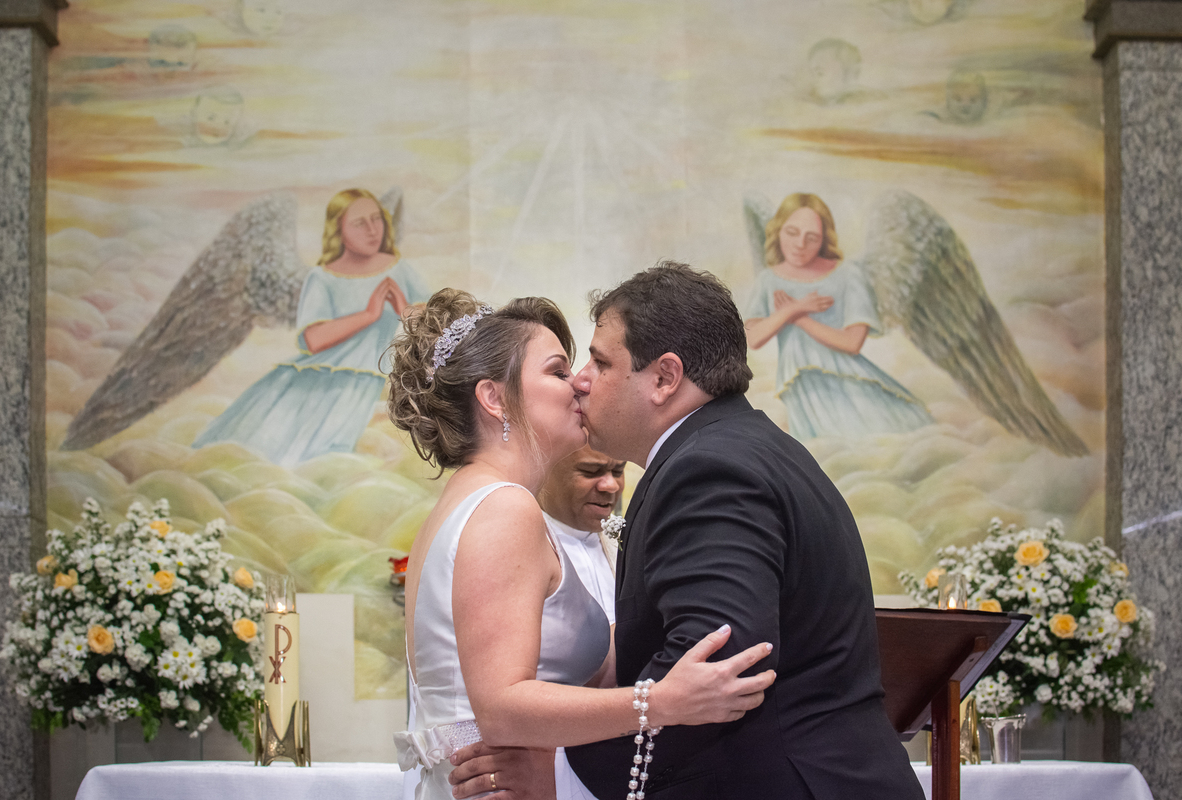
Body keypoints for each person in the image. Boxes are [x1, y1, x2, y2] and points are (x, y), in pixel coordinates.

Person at [387, 289, 776, 800]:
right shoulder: (504, 506)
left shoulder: (470, 500)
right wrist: (660, 702)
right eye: (556, 371)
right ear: (494, 398)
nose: (578, 384)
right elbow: (500, 709)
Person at [555, 262, 924, 798]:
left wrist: (569, 769)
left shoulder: (709, 469)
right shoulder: (746, 446)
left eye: (601, 361)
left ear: (664, 378)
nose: (580, 379)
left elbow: (719, 666)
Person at [192, 188, 428, 466]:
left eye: (376, 219)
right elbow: (312, 339)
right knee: (267, 451)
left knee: (330, 458)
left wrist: (403, 307)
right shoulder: (322, 277)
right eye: (359, 223)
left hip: (368, 379)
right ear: (339, 231)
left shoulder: (400, 269)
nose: (372, 230)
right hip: (317, 377)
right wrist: (368, 314)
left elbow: (430, 325)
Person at [743, 193, 932, 440]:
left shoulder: (847, 275)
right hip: (804, 392)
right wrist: (792, 309)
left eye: (812, 237)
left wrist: (800, 318)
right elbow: (753, 337)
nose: (800, 244)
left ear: (824, 239)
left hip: (853, 389)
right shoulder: (768, 280)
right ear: (777, 230)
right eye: (792, 232)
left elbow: (852, 342)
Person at [537, 444, 625, 624]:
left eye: (618, 471)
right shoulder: (523, 546)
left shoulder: (628, 541)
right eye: (591, 471)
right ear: (543, 471)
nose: (611, 485)